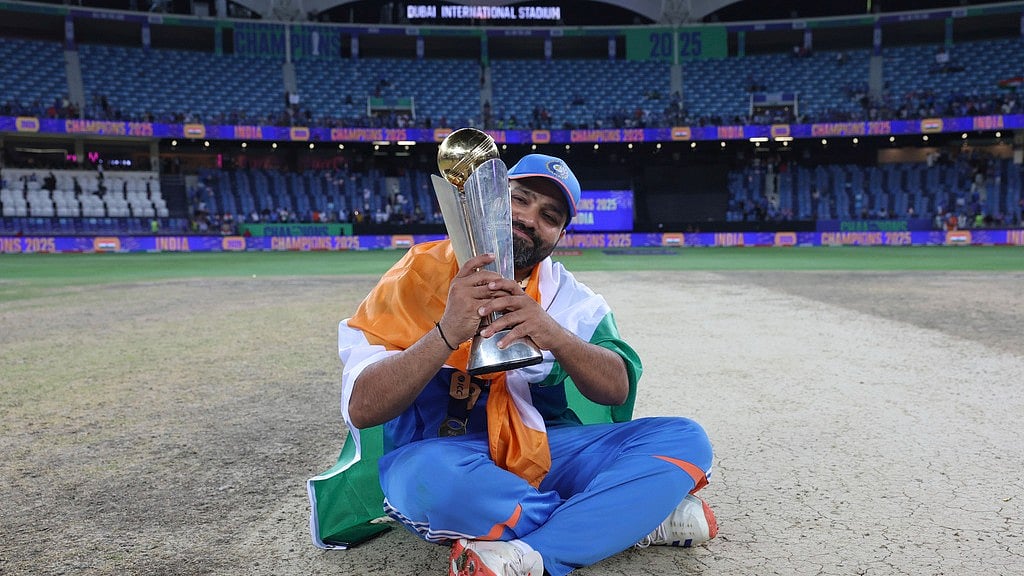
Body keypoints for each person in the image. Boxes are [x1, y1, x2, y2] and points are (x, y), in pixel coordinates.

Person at [308, 154, 716, 576]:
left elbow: (616, 387)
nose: (528, 218)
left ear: (560, 234)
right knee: (430, 484)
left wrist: (551, 332)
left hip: (545, 451)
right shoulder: (414, 277)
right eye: (519, 200)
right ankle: (630, 515)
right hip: (446, 458)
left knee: (685, 439)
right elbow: (363, 406)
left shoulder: (568, 296)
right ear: (492, 202)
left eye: (549, 215)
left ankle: (530, 552)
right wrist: (447, 333)